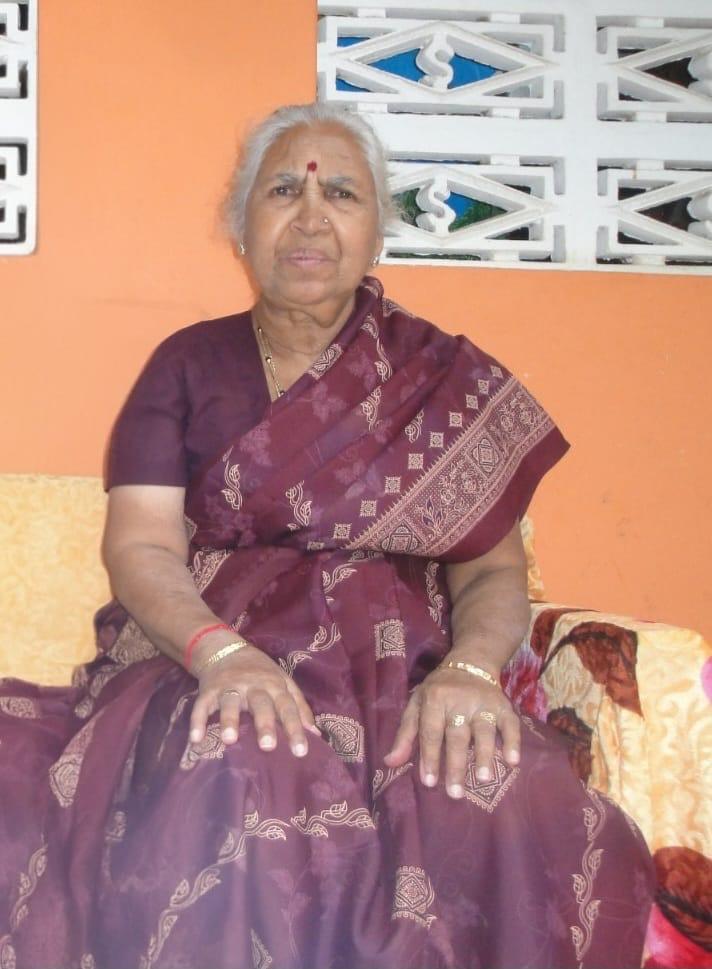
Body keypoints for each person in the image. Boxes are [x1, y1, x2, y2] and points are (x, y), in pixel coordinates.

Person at [0, 102, 653, 969]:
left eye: (341, 193)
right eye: (283, 191)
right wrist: (220, 655)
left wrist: (469, 673)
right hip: (212, 662)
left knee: (499, 792)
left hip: (404, 679)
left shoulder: (437, 379)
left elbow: (493, 573)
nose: (310, 217)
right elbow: (142, 547)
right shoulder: (186, 365)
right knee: (233, 765)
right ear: (242, 227)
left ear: (378, 231)